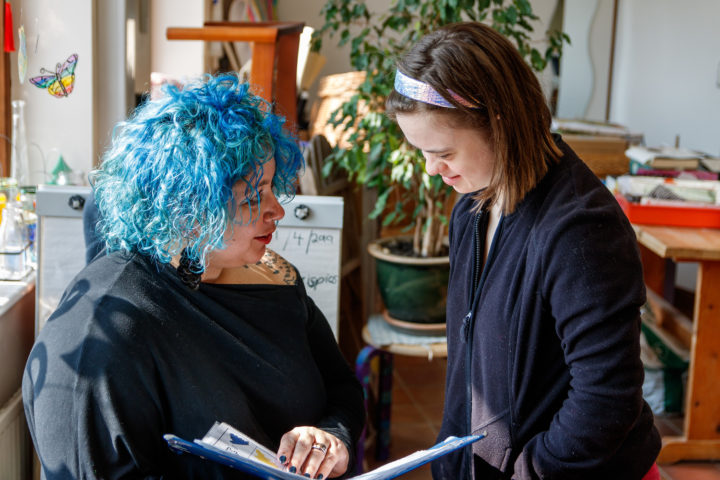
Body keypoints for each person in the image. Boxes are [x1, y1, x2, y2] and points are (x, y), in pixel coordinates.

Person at [23, 73, 365, 480]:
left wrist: (330, 438)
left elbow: (342, 389)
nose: (278, 210)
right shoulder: (101, 338)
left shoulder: (272, 277)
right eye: (253, 196)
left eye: (273, 187)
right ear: (189, 207)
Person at [385, 22, 661, 479]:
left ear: (499, 123)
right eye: (421, 152)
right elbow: (469, 367)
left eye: (444, 153)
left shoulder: (581, 230)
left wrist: (531, 471)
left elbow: (606, 400)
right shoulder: (473, 207)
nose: (433, 169)